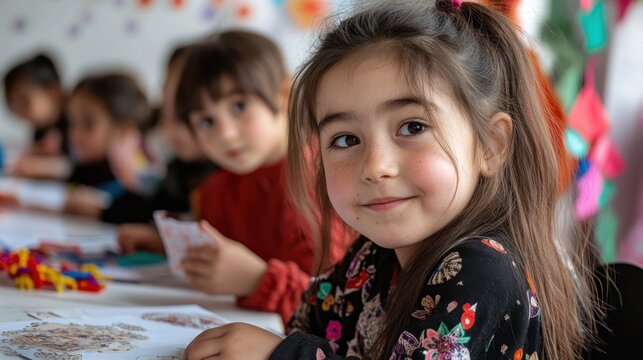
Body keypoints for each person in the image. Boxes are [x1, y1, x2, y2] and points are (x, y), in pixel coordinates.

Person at [183, 1, 600, 359]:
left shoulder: (480, 270)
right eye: (345, 139)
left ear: (490, 146)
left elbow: (295, 341)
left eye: (413, 127)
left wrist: (280, 353)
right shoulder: (373, 255)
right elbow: (309, 318)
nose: (375, 165)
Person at [119, 30, 352, 325]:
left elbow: (339, 309)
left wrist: (257, 281)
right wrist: (174, 247)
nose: (225, 134)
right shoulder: (217, 190)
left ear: (284, 94)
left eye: (239, 106)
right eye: (206, 121)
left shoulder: (319, 181)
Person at [117, 45, 218, 249]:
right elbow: (153, 208)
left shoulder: (226, 176)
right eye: (167, 116)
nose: (171, 130)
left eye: (183, 116)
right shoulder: (178, 167)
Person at [64, 72, 159, 224]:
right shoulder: (90, 166)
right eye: (72, 122)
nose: (74, 135)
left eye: (88, 124)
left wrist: (101, 210)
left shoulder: (142, 173)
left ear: (124, 130)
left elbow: (146, 213)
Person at [3, 53, 71, 179]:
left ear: (53, 91)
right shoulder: (40, 129)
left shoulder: (77, 123)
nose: (19, 113)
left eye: (23, 103)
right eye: (13, 107)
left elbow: (74, 165)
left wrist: (45, 166)